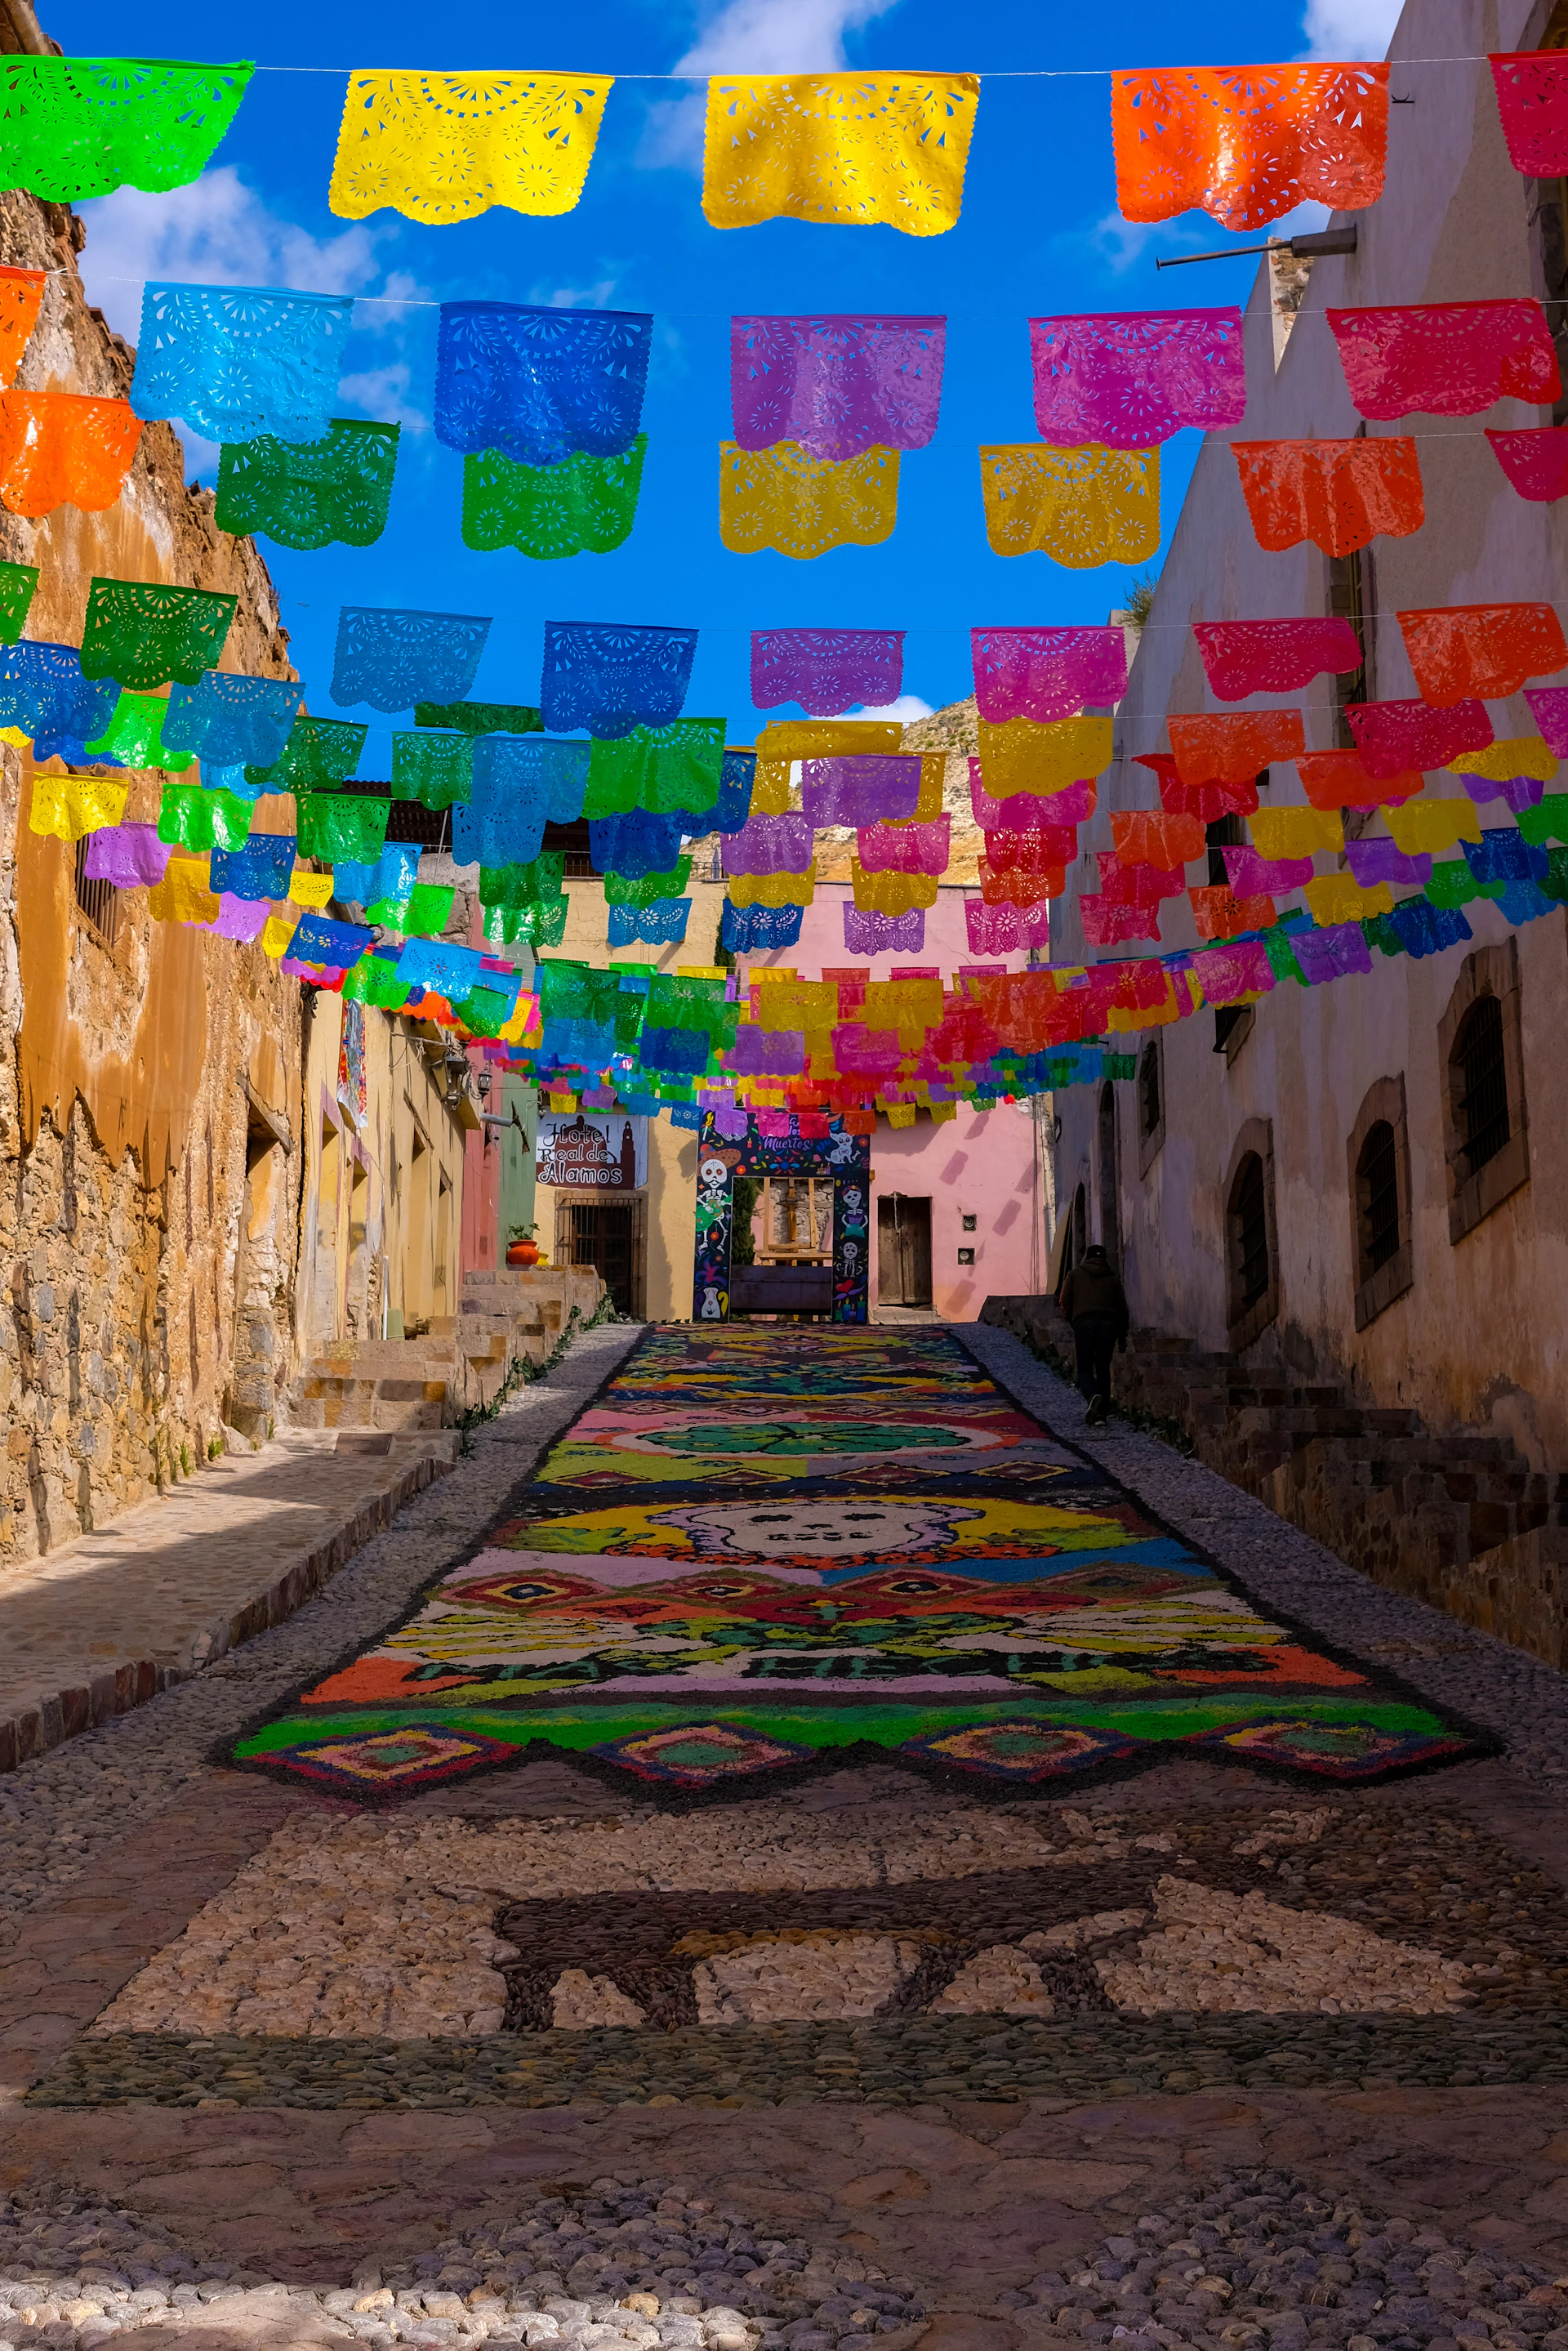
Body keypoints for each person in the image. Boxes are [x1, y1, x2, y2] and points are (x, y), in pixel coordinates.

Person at [1058, 1242, 1129, 1425]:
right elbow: (1122, 1309)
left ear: (1086, 1257)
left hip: (1085, 1324)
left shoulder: (1075, 1275)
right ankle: (1102, 1415)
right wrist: (1122, 1337)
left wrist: (1073, 1319)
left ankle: (1092, 1395)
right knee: (1103, 1369)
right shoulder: (1113, 1279)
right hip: (1109, 1325)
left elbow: (1065, 1300)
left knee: (1084, 1367)